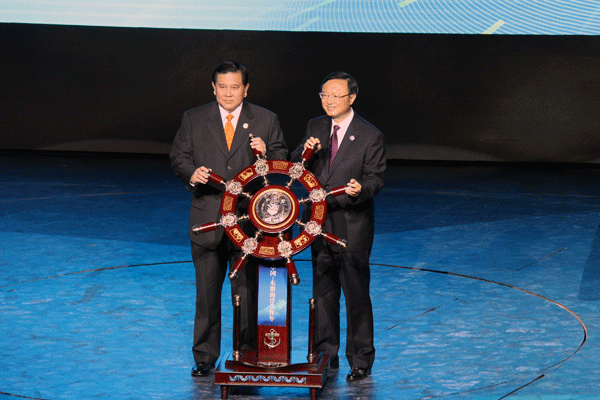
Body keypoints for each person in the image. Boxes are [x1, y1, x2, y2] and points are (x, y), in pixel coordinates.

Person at [170, 61, 288, 377]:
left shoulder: (265, 119)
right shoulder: (194, 118)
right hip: (208, 218)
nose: (228, 93)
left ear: (246, 90)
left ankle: (246, 353)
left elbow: (282, 163)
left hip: (249, 224)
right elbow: (179, 156)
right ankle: (204, 357)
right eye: (222, 87)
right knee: (206, 296)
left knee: (246, 295)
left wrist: (267, 154)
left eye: (235, 87)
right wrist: (190, 172)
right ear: (213, 88)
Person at [290, 71, 386, 382]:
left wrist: (361, 190)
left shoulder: (370, 135)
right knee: (323, 293)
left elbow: (375, 179)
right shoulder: (315, 126)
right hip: (318, 224)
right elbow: (295, 162)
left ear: (352, 98)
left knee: (356, 295)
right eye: (325, 95)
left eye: (336, 95)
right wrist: (305, 153)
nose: (329, 101)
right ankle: (325, 355)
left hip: (351, 225)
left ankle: (360, 360)